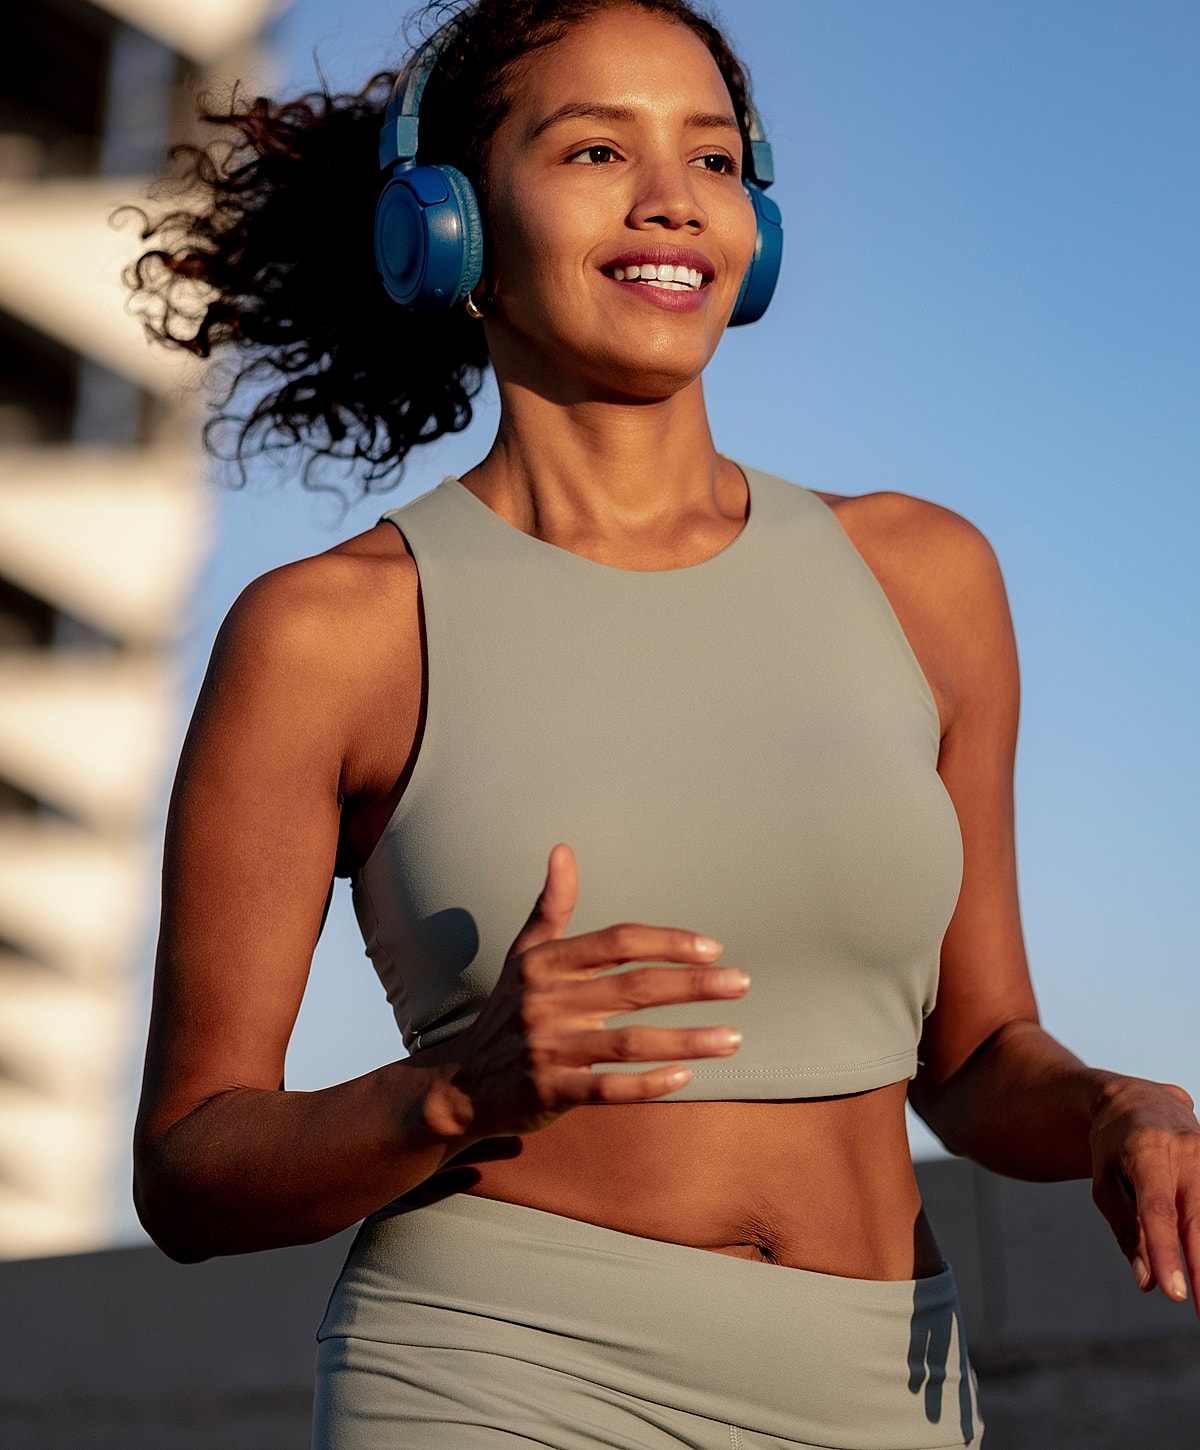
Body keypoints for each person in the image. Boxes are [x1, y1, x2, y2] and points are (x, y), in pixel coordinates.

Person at [130, 2, 1200, 1446]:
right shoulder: (329, 633)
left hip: (888, 1385)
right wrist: (452, 1092)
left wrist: (1115, 1106)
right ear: (447, 223)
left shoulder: (927, 577)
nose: (671, 200)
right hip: (495, 1378)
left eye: (711, 157)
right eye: (594, 150)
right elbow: (190, 1168)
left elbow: (976, 1053)